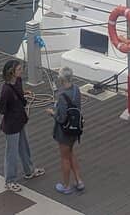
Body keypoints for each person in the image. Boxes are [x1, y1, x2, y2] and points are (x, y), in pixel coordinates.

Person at [0, 59, 43, 192]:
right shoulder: (6, 90)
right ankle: (9, 180)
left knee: (24, 146)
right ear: (11, 72)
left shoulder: (18, 81)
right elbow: (1, 109)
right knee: (11, 153)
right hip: (12, 124)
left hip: (20, 120)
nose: (21, 71)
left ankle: (29, 171)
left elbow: (19, 95)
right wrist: (13, 110)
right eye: (18, 69)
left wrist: (23, 96)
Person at [47, 66, 84, 195]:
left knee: (65, 158)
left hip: (64, 132)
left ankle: (66, 185)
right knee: (71, 152)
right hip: (75, 129)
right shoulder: (77, 90)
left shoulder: (62, 95)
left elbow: (61, 118)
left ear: (62, 79)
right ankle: (79, 181)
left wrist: (52, 113)